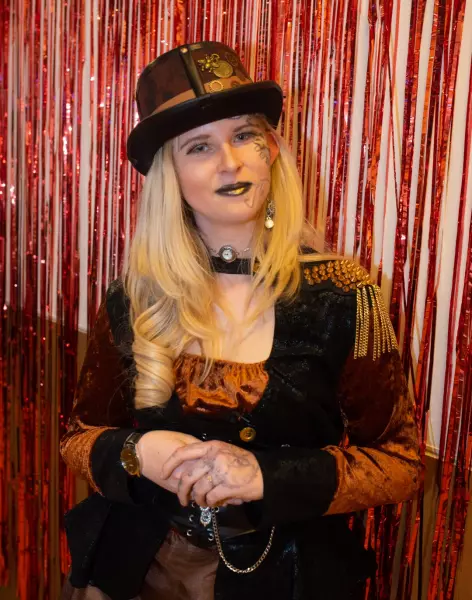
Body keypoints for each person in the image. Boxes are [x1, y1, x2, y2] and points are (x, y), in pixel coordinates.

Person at [60, 41, 422, 600]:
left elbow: (400, 463)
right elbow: (79, 437)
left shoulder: (343, 294)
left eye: (244, 135)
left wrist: (263, 477)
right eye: (200, 146)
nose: (230, 162)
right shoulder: (135, 295)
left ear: (271, 148)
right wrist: (137, 453)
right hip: (134, 570)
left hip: (281, 578)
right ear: (171, 176)